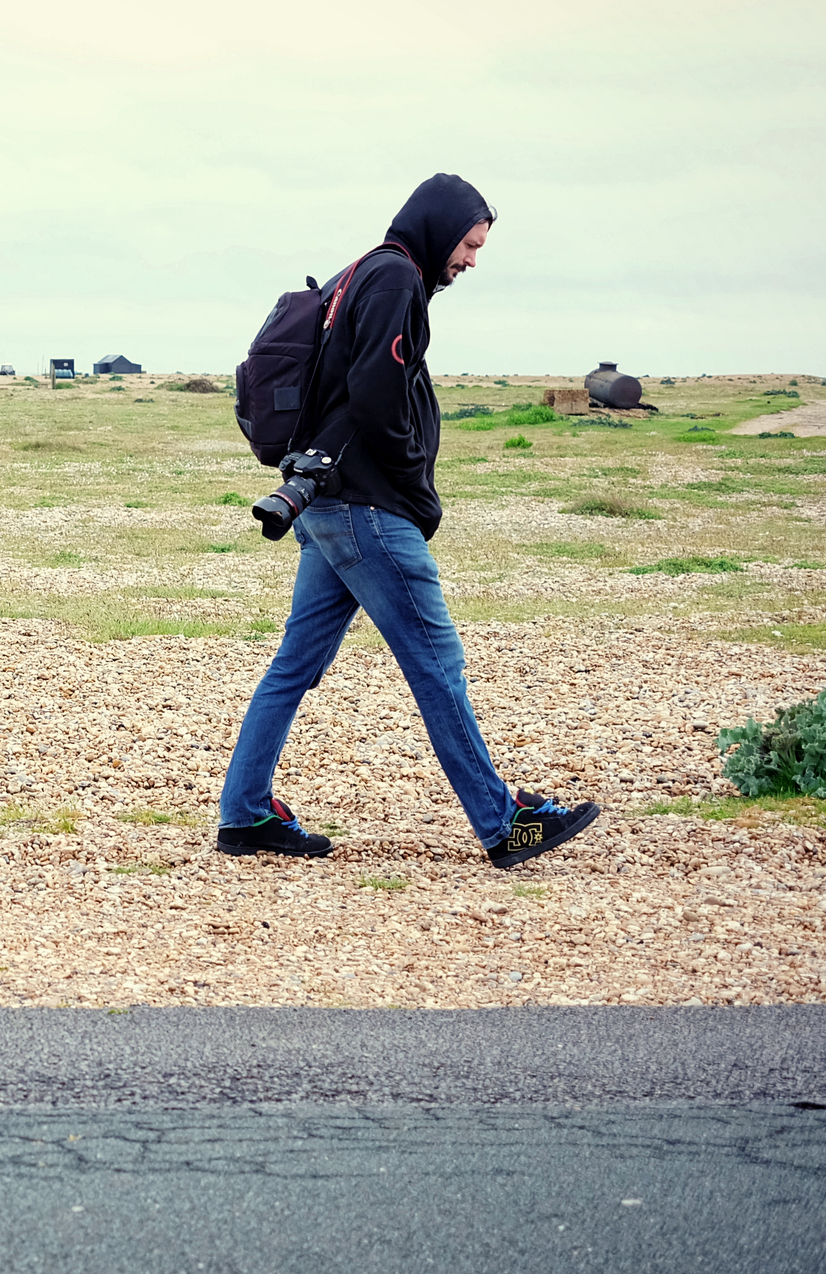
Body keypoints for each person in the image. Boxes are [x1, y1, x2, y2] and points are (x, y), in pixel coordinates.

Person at [216, 173, 600, 869]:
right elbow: (375, 395)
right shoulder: (395, 280)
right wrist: (412, 482)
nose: (472, 260)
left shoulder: (364, 271)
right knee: (437, 666)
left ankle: (243, 814)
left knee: (293, 666)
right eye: (469, 244)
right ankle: (503, 824)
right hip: (367, 512)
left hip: (327, 506)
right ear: (438, 227)